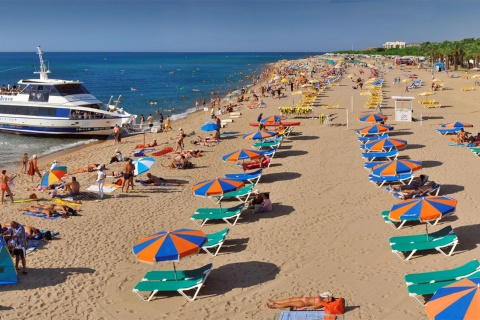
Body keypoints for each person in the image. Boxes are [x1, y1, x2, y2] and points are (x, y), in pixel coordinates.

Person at [266, 292, 335, 310]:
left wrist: (306, 308)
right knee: (289, 299)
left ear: (329, 302)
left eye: (329, 299)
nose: (328, 298)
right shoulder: (322, 297)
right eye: (329, 297)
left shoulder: (322, 303)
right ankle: (275, 301)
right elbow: (313, 297)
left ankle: (275, 306)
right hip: (303, 298)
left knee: (289, 303)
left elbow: (314, 307)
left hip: (303, 303)